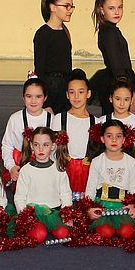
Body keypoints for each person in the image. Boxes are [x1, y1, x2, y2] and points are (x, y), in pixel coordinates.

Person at [83, 120, 135, 239]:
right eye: (109, 136)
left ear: (124, 139)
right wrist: (89, 208)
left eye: (118, 136)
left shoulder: (131, 162)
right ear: (102, 139)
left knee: (127, 233)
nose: (114, 140)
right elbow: (91, 188)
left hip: (122, 206)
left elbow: (133, 188)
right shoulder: (97, 161)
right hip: (102, 204)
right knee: (104, 233)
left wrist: (132, 205)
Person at [13, 127, 73, 239]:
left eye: (45, 145)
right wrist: (24, 216)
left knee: (63, 234)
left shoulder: (59, 169)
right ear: (31, 146)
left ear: (53, 146)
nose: (41, 149)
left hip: (53, 213)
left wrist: (66, 215)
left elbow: (65, 194)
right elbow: (19, 197)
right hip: (32, 214)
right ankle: (38, 227)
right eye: (36, 145)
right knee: (39, 235)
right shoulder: (26, 170)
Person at [90, 0, 135, 116]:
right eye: (111, 8)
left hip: (118, 80)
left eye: (120, 7)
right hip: (117, 81)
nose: (117, 12)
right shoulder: (109, 32)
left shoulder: (110, 30)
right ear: (102, 10)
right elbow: (116, 62)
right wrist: (127, 92)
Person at [49, 70, 96, 200]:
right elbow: (53, 149)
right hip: (64, 173)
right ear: (67, 95)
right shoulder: (59, 118)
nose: (76, 97)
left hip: (88, 176)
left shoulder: (96, 122)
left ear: (88, 93)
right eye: (72, 92)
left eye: (81, 92)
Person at [99, 79, 135, 186]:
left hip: (133, 175)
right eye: (118, 99)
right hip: (107, 176)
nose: (122, 103)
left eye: (126, 99)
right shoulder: (102, 121)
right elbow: (97, 152)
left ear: (132, 100)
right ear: (110, 98)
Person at [1, 77, 53, 185]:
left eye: (38, 96)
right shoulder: (15, 118)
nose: (33, 101)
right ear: (23, 97)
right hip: (20, 168)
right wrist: (11, 167)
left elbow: (56, 149)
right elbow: (7, 146)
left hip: (45, 170)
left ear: (45, 98)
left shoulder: (52, 119)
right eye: (29, 96)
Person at [34, 0, 74, 114]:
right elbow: (39, 69)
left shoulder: (65, 32)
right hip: (51, 91)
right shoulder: (42, 34)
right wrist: (46, 103)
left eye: (71, 6)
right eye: (66, 6)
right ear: (53, 7)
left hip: (64, 91)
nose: (70, 10)